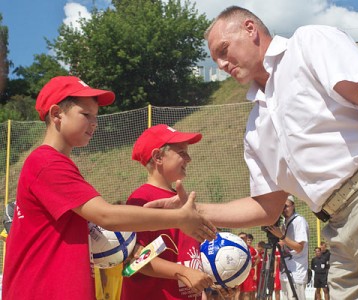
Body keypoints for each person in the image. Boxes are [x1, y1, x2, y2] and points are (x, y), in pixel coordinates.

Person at [193, 5, 358, 300]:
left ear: (250, 28)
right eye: (216, 59)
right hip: (337, 229)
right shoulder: (255, 125)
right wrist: (196, 212)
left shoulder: (306, 44)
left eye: (223, 50)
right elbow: (268, 206)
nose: (222, 63)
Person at [1, 76, 216, 300]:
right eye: (86, 115)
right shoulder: (47, 162)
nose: (94, 123)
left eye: (96, 116)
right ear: (56, 114)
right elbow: (116, 232)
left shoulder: (58, 166)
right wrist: (180, 228)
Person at [121, 124, 213, 300]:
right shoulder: (141, 199)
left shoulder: (180, 200)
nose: (189, 159)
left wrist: (205, 286)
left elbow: (188, 257)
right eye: (181, 152)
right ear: (158, 157)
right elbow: (135, 262)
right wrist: (184, 272)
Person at [267, 196, 309, 300]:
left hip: (296, 273)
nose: (284, 210)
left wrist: (281, 236)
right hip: (285, 271)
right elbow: (286, 243)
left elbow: (299, 248)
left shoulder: (299, 221)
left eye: (286, 206)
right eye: (281, 207)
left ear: (293, 206)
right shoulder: (285, 223)